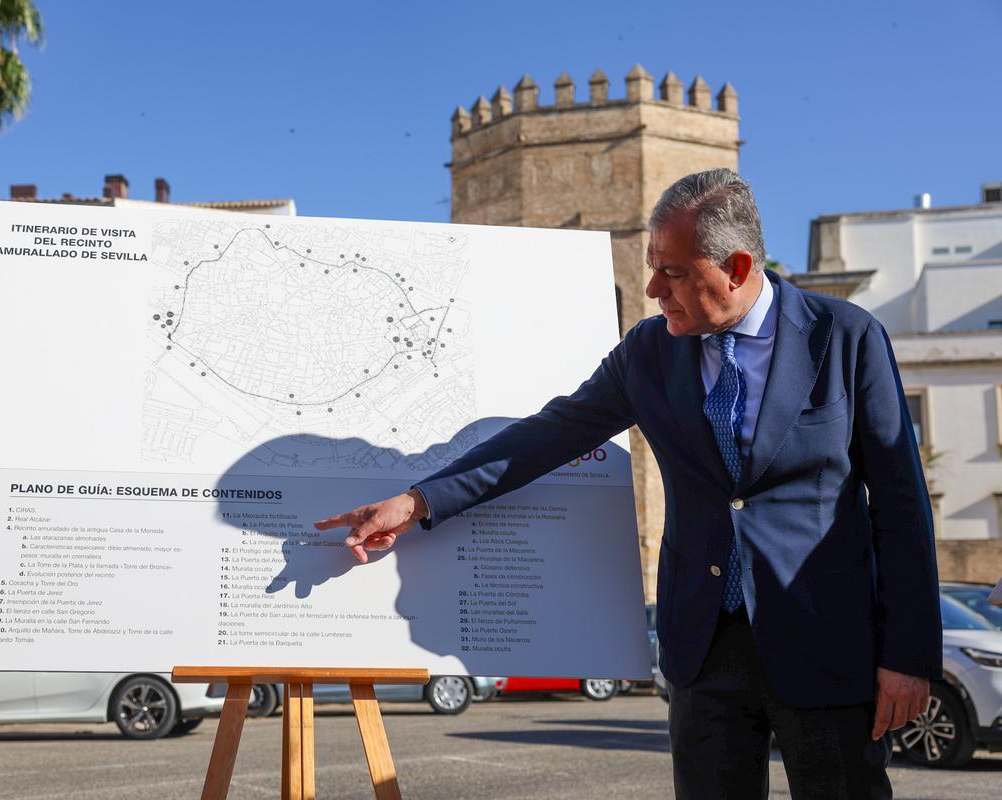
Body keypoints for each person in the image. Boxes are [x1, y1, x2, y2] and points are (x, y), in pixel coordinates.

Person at [316, 168, 941, 799]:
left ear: (737, 265)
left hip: (825, 641)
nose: (651, 289)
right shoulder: (648, 352)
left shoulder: (846, 336)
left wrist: (910, 655)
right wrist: (419, 499)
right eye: (651, 267)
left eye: (670, 272)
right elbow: (549, 434)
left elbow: (901, 505)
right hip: (703, 648)